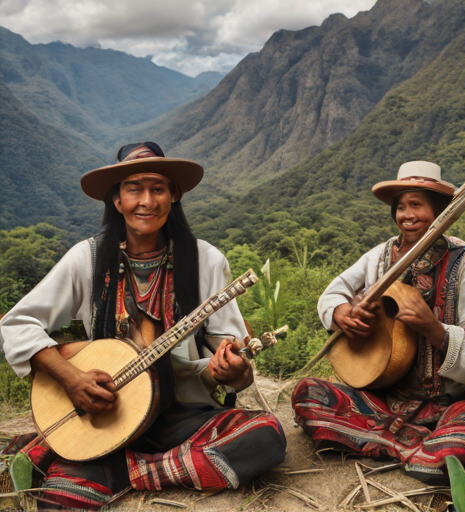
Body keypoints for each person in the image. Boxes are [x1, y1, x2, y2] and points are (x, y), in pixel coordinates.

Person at [0, 142, 286, 509]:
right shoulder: (85, 259)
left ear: (173, 197)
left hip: (185, 417)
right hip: (109, 415)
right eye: (133, 189)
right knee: (58, 502)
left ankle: (125, 472)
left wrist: (235, 370)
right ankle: (160, 467)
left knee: (266, 437)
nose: (146, 201)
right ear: (117, 201)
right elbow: (17, 324)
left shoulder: (206, 260)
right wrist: (72, 378)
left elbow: (235, 363)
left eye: (158, 189)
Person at [292, 161, 465, 483]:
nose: (407, 215)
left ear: (438, 211)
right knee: (308, 394)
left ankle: (385, 441)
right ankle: (418, 450)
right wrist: (340, 313)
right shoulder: (379, 256)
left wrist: (433, 329)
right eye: (401, 206)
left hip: (447, 407)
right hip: (382, 399)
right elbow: (333, 292)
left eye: (417, 205)